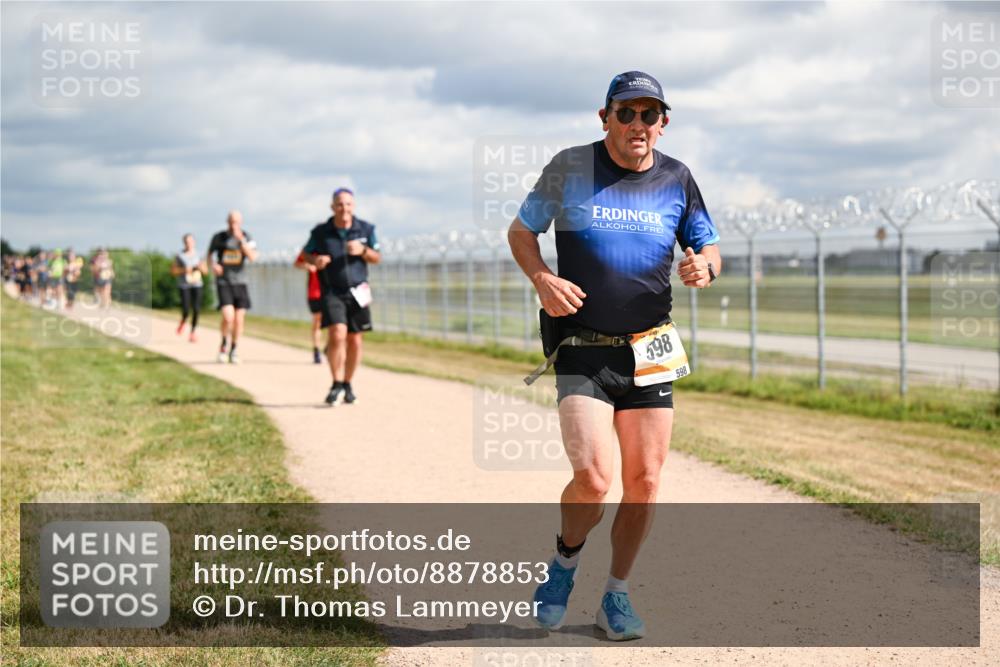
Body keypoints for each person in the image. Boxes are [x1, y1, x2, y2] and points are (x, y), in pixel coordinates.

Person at [508, 71, 722, 641]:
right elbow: (521, 231)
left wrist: (707, 266)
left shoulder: (678, 177)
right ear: (604, 117)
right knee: (595, 477)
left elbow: (709, 245)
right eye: (626, 112)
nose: (637, 124)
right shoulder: (569, 167)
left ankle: (616, 595)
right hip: (583, 345)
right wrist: (542, 279)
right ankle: (564, 562)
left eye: (649, 114)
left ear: (663, 122)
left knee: (646, 480)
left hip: (650, 347)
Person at [303, 187, 380, 405]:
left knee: (355, 340)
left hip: (358, 291)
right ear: (332, 206)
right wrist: (315, 261)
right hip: (332, 291)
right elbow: (306, 254)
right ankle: (336, 383)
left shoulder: (365, 229)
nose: (343, 208)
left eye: (347, 204)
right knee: (337, 334)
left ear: (353, 206)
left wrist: (363, 251)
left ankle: (348, 383)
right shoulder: (320, 232)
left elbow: (377, 257)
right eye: (339, 204)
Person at [208, 210, 258, 364]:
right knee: (228, 317)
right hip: (224, 281)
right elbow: (209, 255)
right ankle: (223, 345)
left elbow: (253, 257)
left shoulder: (247, 237)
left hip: (241, 282)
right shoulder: (219, 237)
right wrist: (213, 266)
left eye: (236, 222)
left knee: (239, 319)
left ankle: (234, 349)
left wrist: (241, 241)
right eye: (231, 221)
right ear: (227, 221)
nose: (233, 224)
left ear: (240, 222)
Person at [172, 233, 207, 343]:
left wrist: (201, 268)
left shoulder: (199, 255)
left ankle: (193, 332)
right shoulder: (179, 255)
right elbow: (173, 271)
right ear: (184, 243)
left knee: (196, 309)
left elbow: (206, 271)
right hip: (184, 285)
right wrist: (185, 270)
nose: (189, 244)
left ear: (194, 242)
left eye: (191, 241)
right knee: (186, 309)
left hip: (197, 284)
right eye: (187, 242)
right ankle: (183, 319)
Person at [294, 248, 325, 364]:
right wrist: (307, 266)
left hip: (331, 292)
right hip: (315, 292)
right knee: (317, 321)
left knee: (334, 323)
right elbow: (297, 263)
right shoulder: (310, 249)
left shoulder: (331, 246)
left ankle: (330, 346)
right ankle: (316, 351)